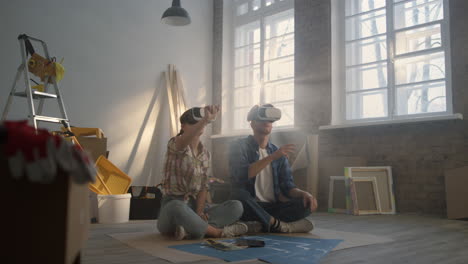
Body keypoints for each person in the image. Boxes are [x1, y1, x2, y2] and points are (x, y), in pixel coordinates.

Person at [157, 105, 248, 240]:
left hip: (195, 207)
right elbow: (183, 142)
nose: (198, 125)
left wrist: (199, 212)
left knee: (236, 206)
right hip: (173, 206)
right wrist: (205, 120)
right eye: (193, 122)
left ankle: (190, 229)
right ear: (182, 126)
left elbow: (204, 186)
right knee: (176, 206)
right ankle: (217, 232)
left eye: (200, 123)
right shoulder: (175, 143)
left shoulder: (205, 153)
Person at [229, 104, 318, 233]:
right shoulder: (239, 146)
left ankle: (260, 223)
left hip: (272, 207)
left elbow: (288, 187)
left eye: (269, 120)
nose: (266, 122)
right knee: (239, 196)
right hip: (250, 205)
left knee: (305, 203)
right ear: (252, 124)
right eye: (261, 119)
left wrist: (304, 194)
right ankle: (280, 225)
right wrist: (272, 157)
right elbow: (242, 174)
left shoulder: (278, 152)